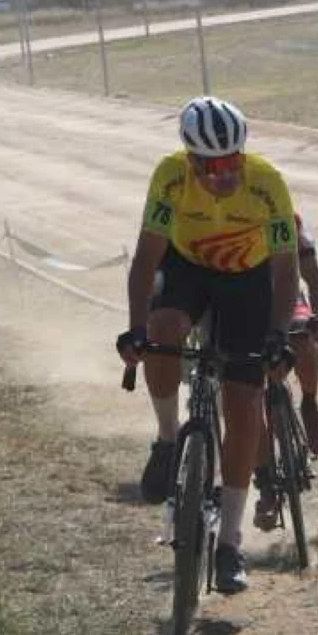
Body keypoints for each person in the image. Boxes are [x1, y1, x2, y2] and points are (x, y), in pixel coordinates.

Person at [117, 96, 300, 595]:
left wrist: (279, 336)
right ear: (190, 159)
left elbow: (286, 270)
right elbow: (146, 258)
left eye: (231, 161)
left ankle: (230, 544)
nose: (223, 174)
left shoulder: (267, 183)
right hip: (188, 270)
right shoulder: (170, 177)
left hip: (248, 280)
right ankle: (166, 439)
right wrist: (135, 330)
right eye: (211, 165)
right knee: (163, 330)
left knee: (244, 405)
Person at [253, 215, 318, 531]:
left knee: (304, 338)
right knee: (249, 397)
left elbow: (314, 278)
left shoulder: (287, 217)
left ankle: (310, 404)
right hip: (243, 302)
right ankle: (265, 481)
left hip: (288, 299)